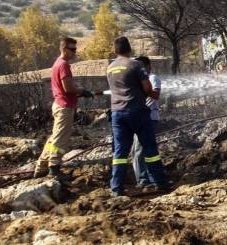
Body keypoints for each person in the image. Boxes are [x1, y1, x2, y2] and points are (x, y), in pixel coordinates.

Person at [107, 36, 168, 196]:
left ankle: (116, 188)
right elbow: (147, 88)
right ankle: (160, 183)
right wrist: (153, 94)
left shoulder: (110, 68)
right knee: (149, 149)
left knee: (120, 153)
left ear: (115, 50)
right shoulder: (136, 65)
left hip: (117, 114)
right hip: (137, 112)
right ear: (129, 49)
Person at [34, 37, 95, 180]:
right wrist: (81, 91)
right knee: (60, 139)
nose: (75, 52)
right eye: (72, 49)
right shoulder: (63, 65)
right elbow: (68, 88)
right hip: (64, 107)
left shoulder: (58, 63)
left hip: (60, 104)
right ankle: (53, 169)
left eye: (75, 49)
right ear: (64, 49)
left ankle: (41, 167)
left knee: (54, 137)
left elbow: (65, 87)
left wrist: (79, 90)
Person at [130, 55, 161, 188]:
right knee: (140, 149)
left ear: (148, 67)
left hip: (149, 117)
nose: (139, 69)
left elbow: (155, 94)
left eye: (141, 66)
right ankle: (149, 178)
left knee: (139, 149)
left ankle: (144, 179)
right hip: (140, 117)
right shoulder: (138, 80)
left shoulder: (152, 78)